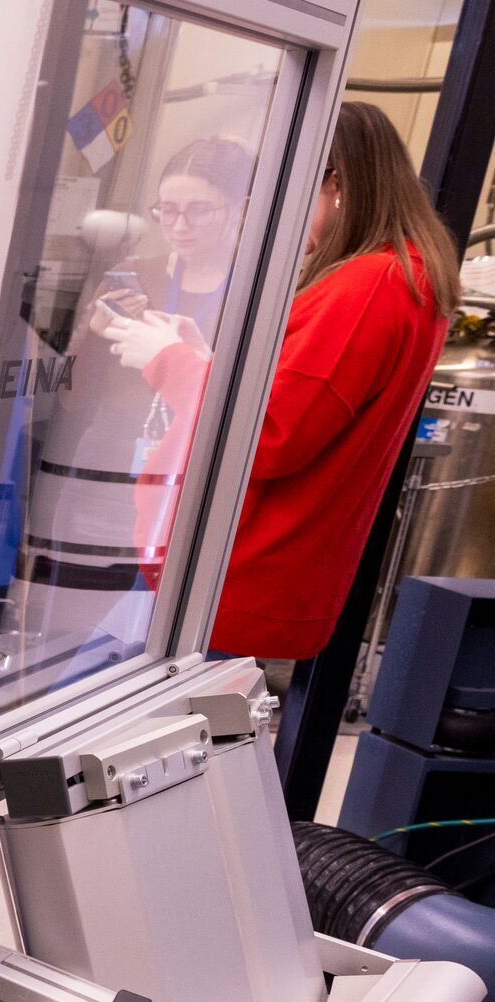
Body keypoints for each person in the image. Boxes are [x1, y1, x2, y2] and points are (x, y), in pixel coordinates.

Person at [107, 102, 458, 661]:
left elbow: (270, 434)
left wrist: (171, 361)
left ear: (336, 183)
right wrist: (206, 359)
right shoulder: (403, 274)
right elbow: (302, 398)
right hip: (266, 569)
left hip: (243, 568)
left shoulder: (369, 283)